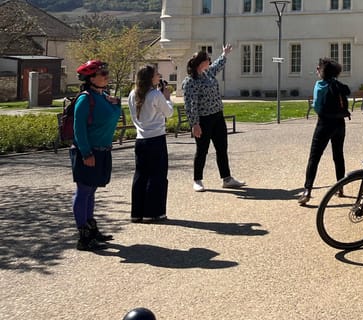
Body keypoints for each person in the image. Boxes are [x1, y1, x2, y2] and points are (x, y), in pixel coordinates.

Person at [69, 59, 121, 251]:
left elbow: (114, 116)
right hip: (88, 151)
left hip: (103, 150)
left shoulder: (104, 96)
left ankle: (91, 229)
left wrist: (116, 104)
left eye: (106, 73)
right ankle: (83, 236)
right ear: (91, 78)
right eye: (102, 74)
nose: (106, 76)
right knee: (83, 191)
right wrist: (86, 152)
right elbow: (78, 129)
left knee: (91, 191)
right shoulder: (85, 98)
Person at [182, 44, 245, 192]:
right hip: (203, 120)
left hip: (217, 116)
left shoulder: (208, 73)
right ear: (201, 62)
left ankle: (227, 178)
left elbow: (217, 65)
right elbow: (190, 104)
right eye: (207, 59)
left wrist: (224, 54)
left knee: (222, 148)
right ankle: (197, 180)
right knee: (202, 150)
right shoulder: (190, 81)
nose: (210, 61)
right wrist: (195, 124)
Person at [298, 58, 351, 205]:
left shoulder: (319, 85)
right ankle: (340, 187)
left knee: (314, 157)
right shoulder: (338, 85)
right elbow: (347, 91)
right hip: (339, 123)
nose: (317, 70)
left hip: (324, 123)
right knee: (338, 155)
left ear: (322, 71)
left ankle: (307, 190)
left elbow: (317, 106)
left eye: (318, 68)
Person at [128, 65, 174, 223]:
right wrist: (167, 98)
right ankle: (153, 212)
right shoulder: (155, 94)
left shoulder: (133, 94)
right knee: (157, 175)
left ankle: (137, 212)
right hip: (156, 137)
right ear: (150, 78)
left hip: (141, 138)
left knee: (140, 174)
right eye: (156, 74)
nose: (159, 76)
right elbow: (169, 113)